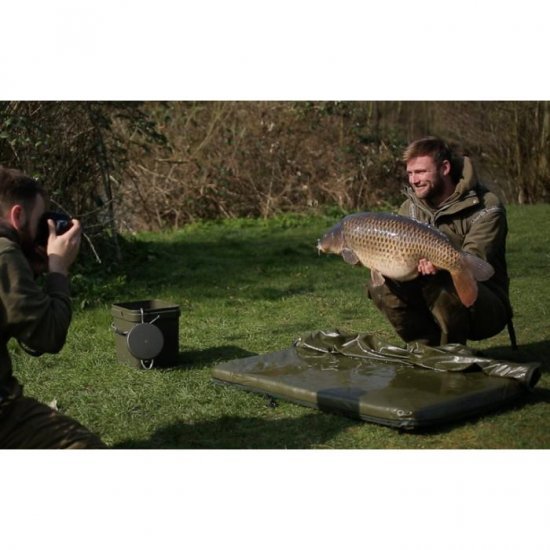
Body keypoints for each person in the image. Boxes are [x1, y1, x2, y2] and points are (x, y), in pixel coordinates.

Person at [367, 136, 515, 347]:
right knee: (380, 286)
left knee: (445, 278)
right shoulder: (410, 208)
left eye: (420, 172)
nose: (413, 180)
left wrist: (439, 263)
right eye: (410, 173)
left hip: (484, 303)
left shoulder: (486, 206)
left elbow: (476, 262)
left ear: (444, 168)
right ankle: (425, 348)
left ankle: (451, 353)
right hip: (426, 295)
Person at [0, 166, 106, 448]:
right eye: (38, 221)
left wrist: (28, 271)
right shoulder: (4, 254)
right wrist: (58, 268)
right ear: (17, 215)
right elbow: (47, 335)